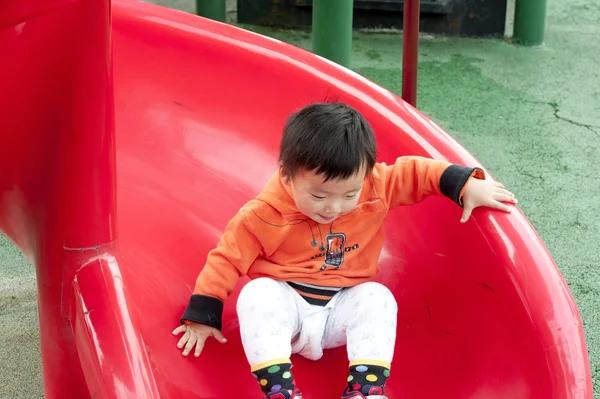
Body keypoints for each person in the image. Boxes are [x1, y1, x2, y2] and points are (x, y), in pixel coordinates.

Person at [172, 102, 517, 399]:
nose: (333, 207)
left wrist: (465, 185)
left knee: (378, 297)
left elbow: (418, 172)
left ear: (365, 175)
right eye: (319, 196)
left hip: (340, 308)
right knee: (257, 293)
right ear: (287, 176)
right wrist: (202, 315)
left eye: (348, 195)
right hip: (287, 310)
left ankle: (364, 390)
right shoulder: (265, 214)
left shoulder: (376, 186)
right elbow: (227, 258)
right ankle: (280, 390)